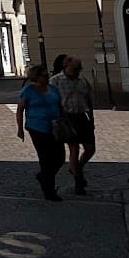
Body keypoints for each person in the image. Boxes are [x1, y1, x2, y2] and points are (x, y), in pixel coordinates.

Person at [17, 62, 65, 201]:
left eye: (47, 74)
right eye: (44, 75)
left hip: (55, 127)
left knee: (60, 158)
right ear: (36, 77)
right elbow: (20, 110)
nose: (47, 77)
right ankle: (49, 190)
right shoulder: (28, 91)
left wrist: (65, 121)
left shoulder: (53, 89)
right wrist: (20, 128)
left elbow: (60, 105)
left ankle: (43, 177)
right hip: (37, 128)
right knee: (46, 159)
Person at [53, 54, 95, 195]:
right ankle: (78, 180)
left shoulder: (83, 80)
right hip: (67, 117)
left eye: (79, 68)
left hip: (83, 116)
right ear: (66, 67)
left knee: (90, 149)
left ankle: (76, 167)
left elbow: (89, 100)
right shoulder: (56, 81)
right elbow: (52, 100)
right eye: (75, 68)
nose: (78, 71)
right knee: (74, 149)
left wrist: (92, 119)